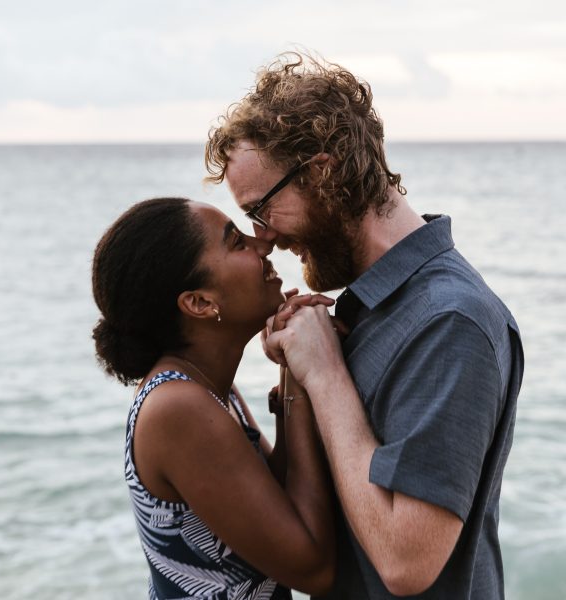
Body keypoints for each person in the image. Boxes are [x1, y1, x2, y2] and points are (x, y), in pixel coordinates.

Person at [204, 52, 524, 599]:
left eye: (262, 210)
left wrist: (326, 374)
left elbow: (406, 561)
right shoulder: (370, 308)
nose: (264, 239)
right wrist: (297, 379)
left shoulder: (449, 320)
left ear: (324, 172)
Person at [91, 197, 336, 599]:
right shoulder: (179, 408)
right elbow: (313, 567)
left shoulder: (208, 390)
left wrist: (295, 363)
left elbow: (278, 499)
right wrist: (305, 383)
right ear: (200, 303)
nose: (264, 246)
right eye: (238, 243)